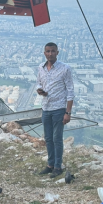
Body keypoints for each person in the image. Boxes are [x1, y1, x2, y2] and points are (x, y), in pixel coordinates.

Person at [36, 42, 74, 179]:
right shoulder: (41, 67)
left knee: (57, 138)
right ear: (44, 53)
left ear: (57, 52)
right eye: (48, 51)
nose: (50, 53)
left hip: (59, 108)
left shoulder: (65, 69)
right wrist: (40, 90)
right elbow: (39, 82)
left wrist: (68, 112)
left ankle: (58, 166)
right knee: (48, 138)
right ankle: (50, 164)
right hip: (46, 107)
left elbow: (70, 90)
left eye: (53, 51)